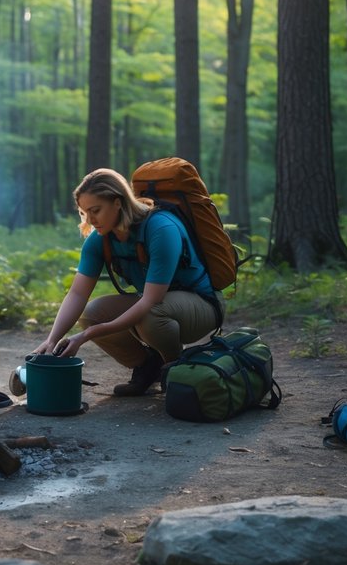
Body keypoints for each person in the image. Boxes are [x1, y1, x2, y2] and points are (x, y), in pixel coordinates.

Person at [20, 167, 223, 397]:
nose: (90, 219)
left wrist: (87, 335)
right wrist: (51, 340)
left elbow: (149, 301)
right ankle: (148, 366)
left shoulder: (161, 229)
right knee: (92, 313)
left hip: (202, 305)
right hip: (159, 305)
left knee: (150, 314)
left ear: (118, 202)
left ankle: (174, 367)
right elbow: (77, 294)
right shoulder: (100, 239)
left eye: (96, 210)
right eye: (85, 212)